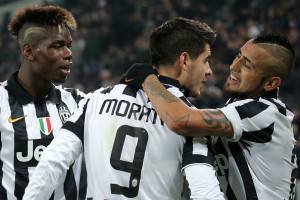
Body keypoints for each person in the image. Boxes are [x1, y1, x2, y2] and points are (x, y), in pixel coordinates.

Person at [23, 17, 225, 199]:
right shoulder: (190, 122)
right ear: (185, 60)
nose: (209, 71)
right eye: (206, 60)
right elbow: (205, 192)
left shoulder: (95, 99)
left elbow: (52, 162)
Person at [120, 33, 297, 199]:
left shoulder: (266, 112)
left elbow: (182, 120)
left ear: (271, 83)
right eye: (238, 56)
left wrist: (148, 78)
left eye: (247, 64)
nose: (233, 66)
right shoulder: (242, 108)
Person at [0, 5, 87, 199]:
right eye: (57, 46)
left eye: (68, 46)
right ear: (29, 52)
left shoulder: (79, 103)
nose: (68, 53)